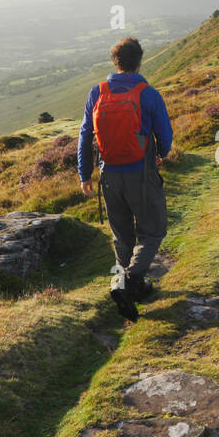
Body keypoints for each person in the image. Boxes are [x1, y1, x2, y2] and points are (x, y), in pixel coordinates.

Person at [77, 37, 173, 321]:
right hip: (140, 175)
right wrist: (161, 154)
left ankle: (132, 287)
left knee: (121, 234)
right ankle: (129, 282)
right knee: (153, 230)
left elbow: (85, 136)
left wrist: (85, 175)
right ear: (140, 61)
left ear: (115, 62)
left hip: (109, 176)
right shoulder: (148, 94)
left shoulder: (97, 92)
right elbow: (165, 135)